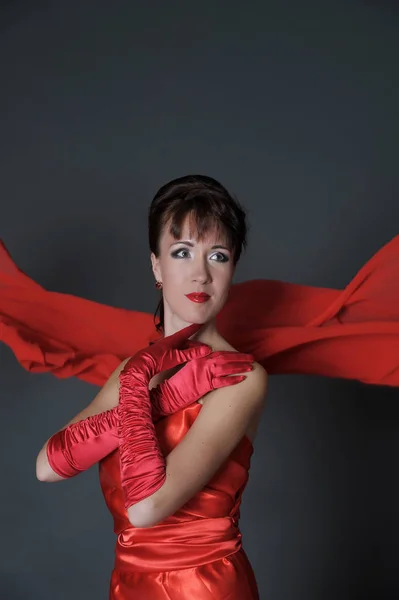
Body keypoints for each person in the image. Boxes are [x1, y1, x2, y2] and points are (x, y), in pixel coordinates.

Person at [1, 175, 399, 599]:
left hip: (204, 588)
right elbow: (47, 466)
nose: (201, 273)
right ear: (157, 265)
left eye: (219, 256)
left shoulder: (241, 378)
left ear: (231, 272)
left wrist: (141, 390)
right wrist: (156, 390)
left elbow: (146, 506)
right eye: (182, 252)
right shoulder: (133, 373)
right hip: (128, 587)